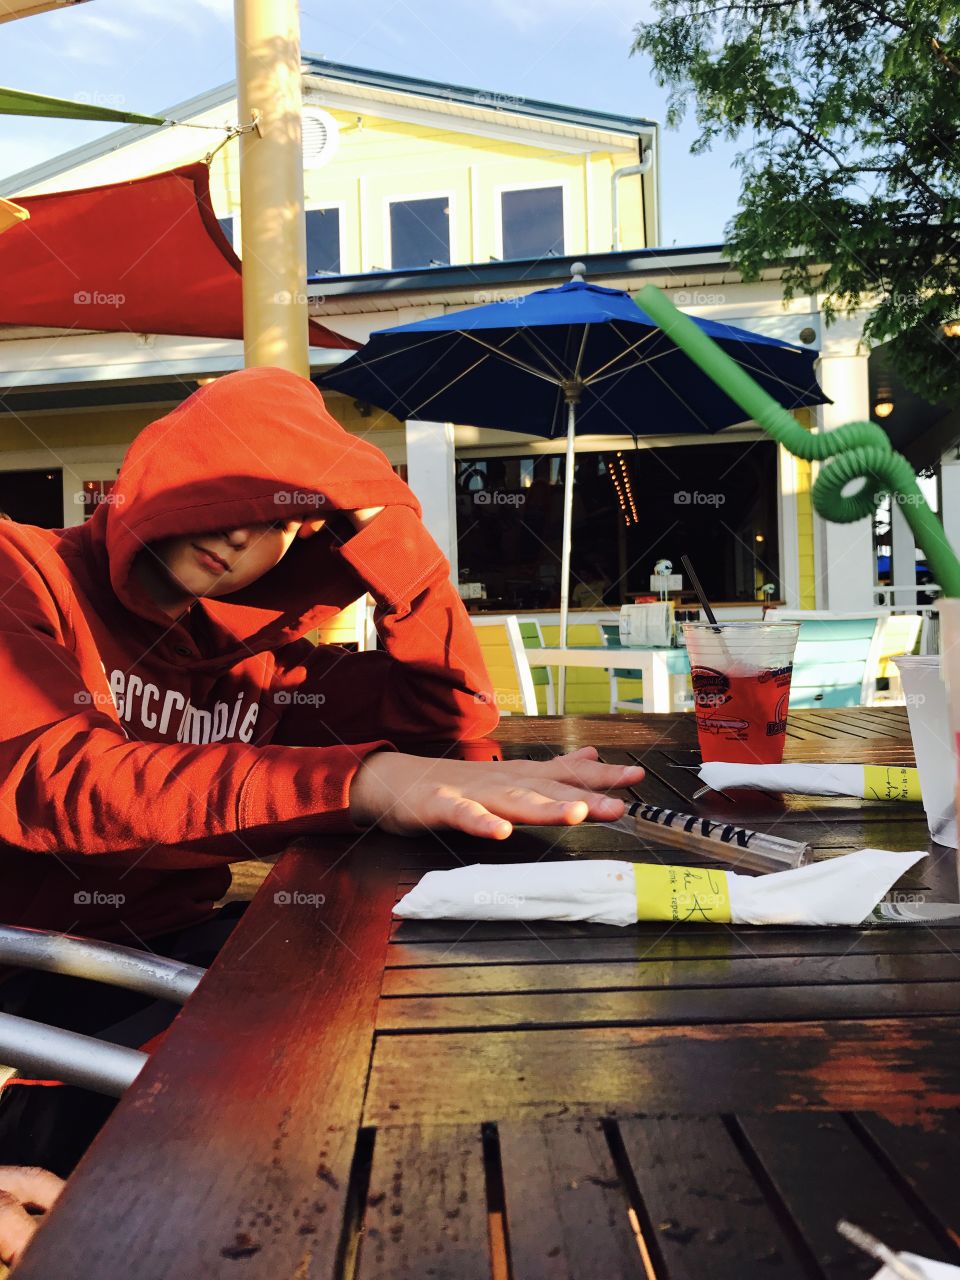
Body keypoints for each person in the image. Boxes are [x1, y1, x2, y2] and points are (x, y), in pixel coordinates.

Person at [0, 366, 644, 1168]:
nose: (241, 534)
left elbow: (452, 725)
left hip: (187, 958)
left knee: (462, 1001)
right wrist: (363, 781)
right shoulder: (20, 570)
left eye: (280, 519)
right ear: (170, 465)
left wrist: (387, 533)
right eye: (227, 492)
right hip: (36, 982)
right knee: (322, 1118)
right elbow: (58, 779)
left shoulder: (259, 666)